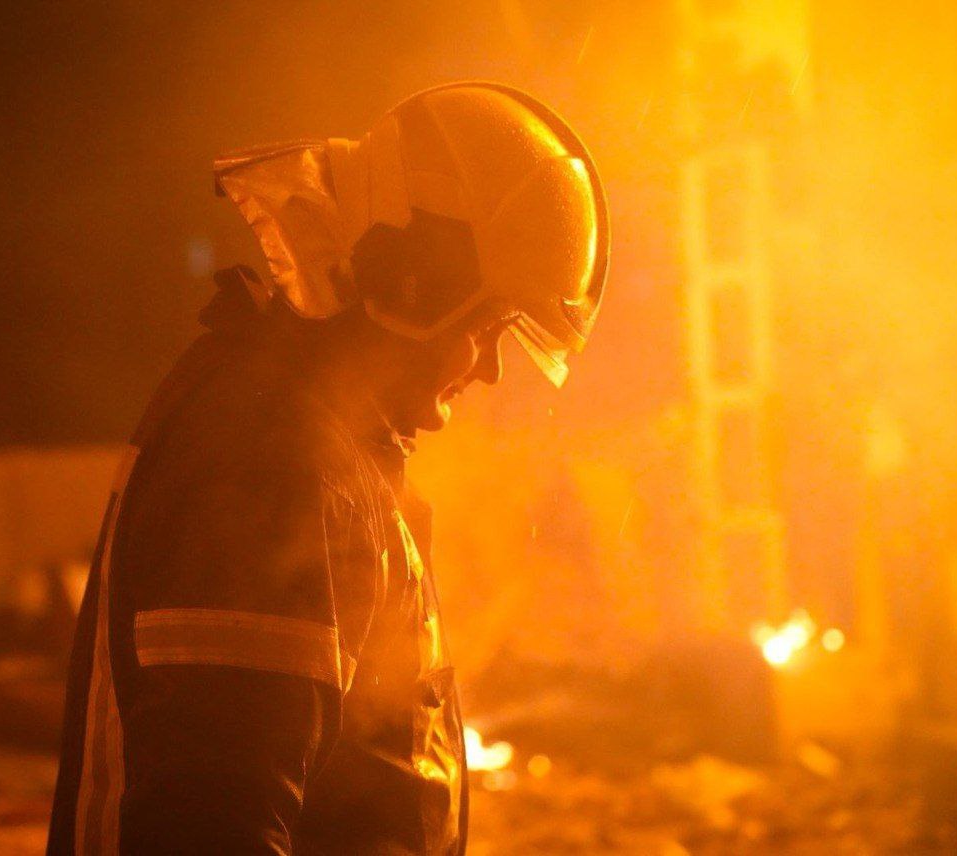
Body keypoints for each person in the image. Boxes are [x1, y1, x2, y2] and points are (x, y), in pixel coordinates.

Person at [47, 81, 609, 856]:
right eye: (487, 328)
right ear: (415, 286)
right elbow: (214, 823)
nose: (491, 371)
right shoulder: (270, 457)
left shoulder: (320, 439)